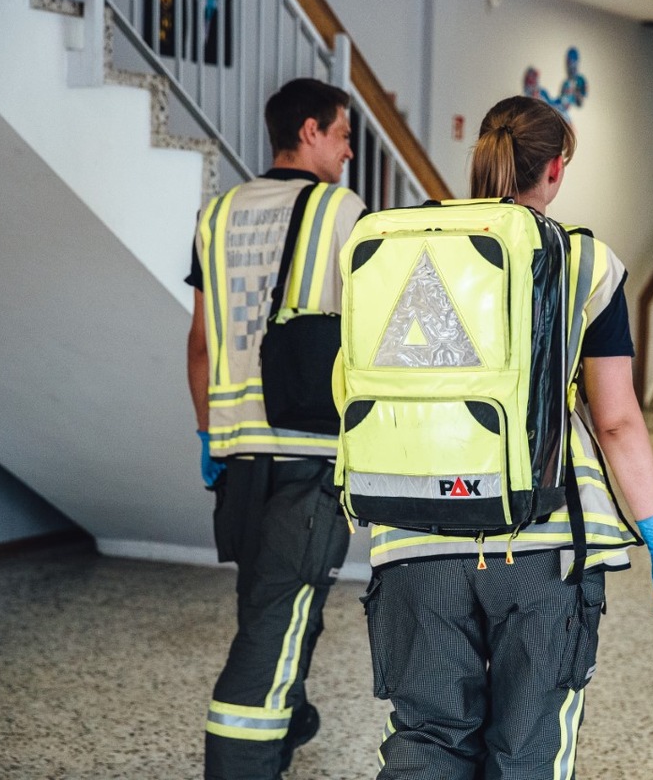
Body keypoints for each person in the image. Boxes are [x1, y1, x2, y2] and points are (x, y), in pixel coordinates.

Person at [359, 95, 653, 779]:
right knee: (529, 749)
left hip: (412, 536)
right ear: (557, 170)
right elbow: (618, 418)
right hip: (540, 545)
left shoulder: (392, 243)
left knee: (424, 742)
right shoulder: (585, 261)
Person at [185, 78, 366, 780]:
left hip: (237, 456)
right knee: (273, 625)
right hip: (310, 452)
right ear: (313, 130)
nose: (350, 152)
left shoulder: (219, 212)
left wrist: (207, 434)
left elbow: (201, 342)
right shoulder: (340, 211)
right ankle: (241, 760)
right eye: (346, 135)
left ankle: (290, 717)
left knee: (270, 605)